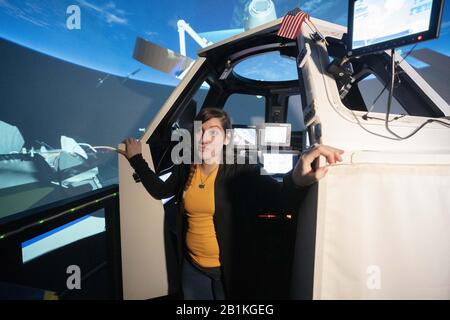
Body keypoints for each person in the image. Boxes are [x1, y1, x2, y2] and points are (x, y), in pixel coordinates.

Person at [118, 107, 343, 299]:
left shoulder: (243, 170)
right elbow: (160, 190)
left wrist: (296, 178)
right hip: (192, 266)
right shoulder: (187, 167)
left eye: (213, 133)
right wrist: (136, 158)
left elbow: (279, 197)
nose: (204, 139)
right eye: (200, 132)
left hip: (228, 268)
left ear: (226, 138)